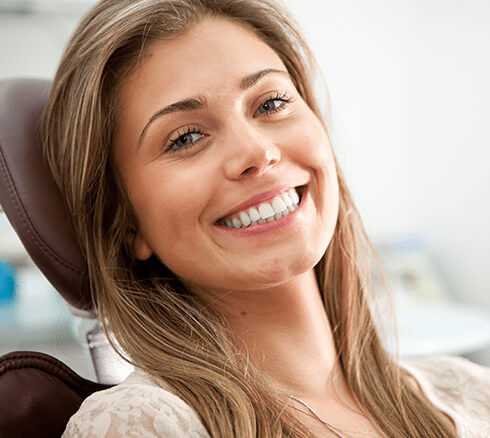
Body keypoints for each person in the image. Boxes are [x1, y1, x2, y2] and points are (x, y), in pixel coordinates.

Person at [41, 0, 489, 437]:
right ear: (126, 223)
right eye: (186, 137)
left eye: (271, 103)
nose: (257, 152)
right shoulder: (141, 425)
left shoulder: (472, 393)